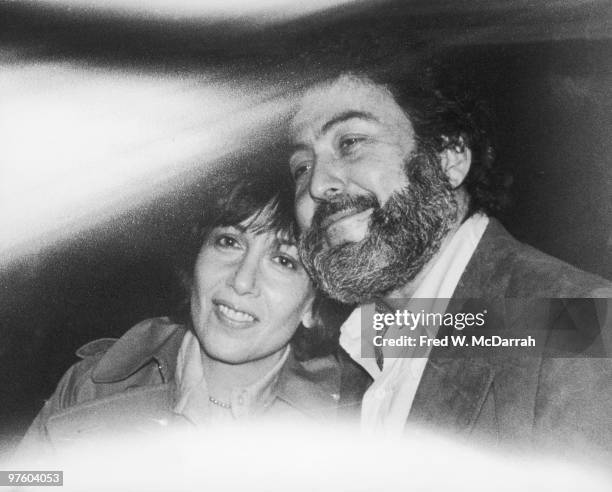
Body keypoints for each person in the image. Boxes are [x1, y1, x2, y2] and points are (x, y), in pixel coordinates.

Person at [287, 69, 612, 454]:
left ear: (449, 158)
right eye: (301, 167)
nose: (318, 185)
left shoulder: (577, 322)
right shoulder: (361, 347)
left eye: (351, 142)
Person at [19, 171, 362, 454]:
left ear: (313, 307)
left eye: (284, 261)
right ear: (196, 258)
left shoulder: (357, 418)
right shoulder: (91, 384)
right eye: (229, 242)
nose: (242, 281)